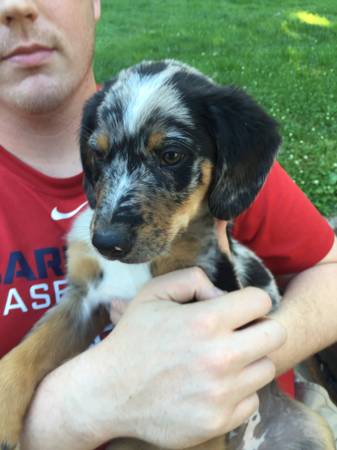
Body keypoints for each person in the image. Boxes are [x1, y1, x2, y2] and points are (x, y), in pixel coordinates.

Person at [0, 1, 336, 449]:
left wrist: (239, 361)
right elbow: (79, 309)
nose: (14, 6)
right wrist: (80, 405)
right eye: (99, 159)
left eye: (170, 156)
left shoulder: (219, 155)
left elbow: (329, 273)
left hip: (272, 422)